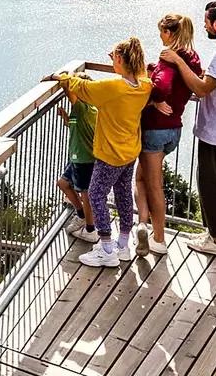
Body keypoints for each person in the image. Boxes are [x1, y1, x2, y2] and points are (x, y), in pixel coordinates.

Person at [46, 37, 151, 267]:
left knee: (95, 195)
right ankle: (123, 245)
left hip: (110, 154)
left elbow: (82, 87)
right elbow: (143, 79)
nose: (111, 59)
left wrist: (60, 77)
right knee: (123, 195)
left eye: (113, 56)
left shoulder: (113, 88)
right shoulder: (144, 86)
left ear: (121, 59)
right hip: (129, 153)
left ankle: (106, 248)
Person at [160, 1, 216, 257]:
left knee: (212, 188)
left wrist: (178, 61)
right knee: (215, 185)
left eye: (207, 22)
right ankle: (213, 233)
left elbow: (201, 89)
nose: (204, 25)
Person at [135, 13, 201, 256]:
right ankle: (142, 226)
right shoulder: (191, 57)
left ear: (170, 33)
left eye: (162, 31)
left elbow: (162, 85)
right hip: (174, 129)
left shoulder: (168, 57)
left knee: (154, 185)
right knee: (140, 179)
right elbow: (184, 83)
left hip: (155, 128)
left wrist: (154, 99)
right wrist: (152, 69)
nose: (160, 36)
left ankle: (159, 239)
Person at [55, 101, 100, 243]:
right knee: (63, 183)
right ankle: (81, 216)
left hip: (85, 158)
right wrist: (67, 119)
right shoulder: (84, 109)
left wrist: (54, 77)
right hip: (77, 157)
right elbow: (79, 126)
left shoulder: (84, 108)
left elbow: (68, 88)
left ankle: (91, 230)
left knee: (86, 193)